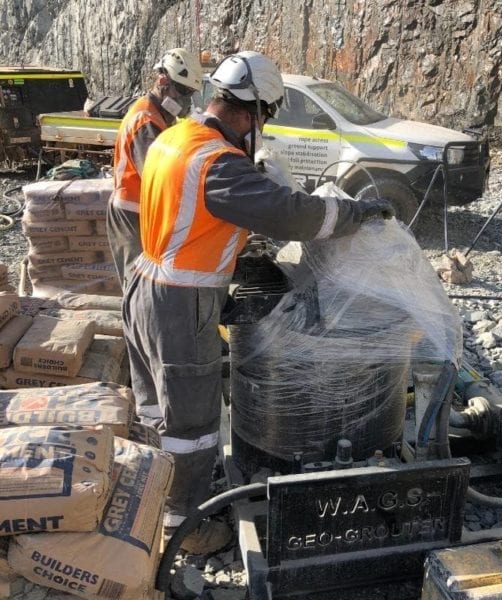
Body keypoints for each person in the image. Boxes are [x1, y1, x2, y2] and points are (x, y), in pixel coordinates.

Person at [122, 50, 394, 541]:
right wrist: (356, 214)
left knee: (154, 409)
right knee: (193, 424)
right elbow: (292, 214)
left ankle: (147, 500)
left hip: (144, 285)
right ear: (251, 111)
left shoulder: (177, 137)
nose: (262, 130)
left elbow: (196, 221)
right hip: (180, 307)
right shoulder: (219, 163)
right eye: (265, 119)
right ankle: (184, 529)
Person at [107, 48, 203, 289]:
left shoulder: (160, 117)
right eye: (182, 91)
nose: (186, 100)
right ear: (163, 81)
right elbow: (157, 176)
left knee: (146, 281)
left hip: (142, 211)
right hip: (131, 210)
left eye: (190, 93)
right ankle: (135, 326)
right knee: (138, 282)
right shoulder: (146, 121)